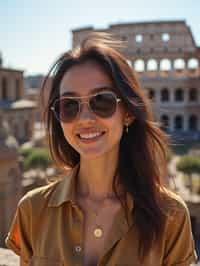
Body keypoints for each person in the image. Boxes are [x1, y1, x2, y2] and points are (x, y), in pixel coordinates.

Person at [5, 33, 197, 266]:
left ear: (127, 112)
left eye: (101, 101)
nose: (85, 119)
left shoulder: (171, 215)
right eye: (69, 105)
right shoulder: (32, 209)